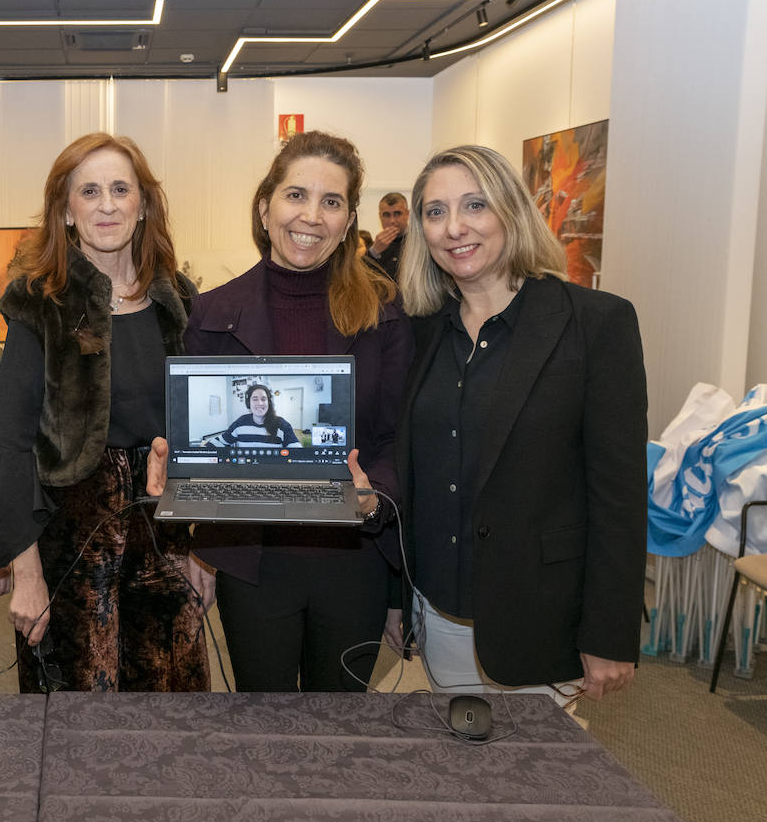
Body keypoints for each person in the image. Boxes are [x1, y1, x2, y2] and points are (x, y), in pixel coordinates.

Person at [156, 129, 414, 692]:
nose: (312, 216)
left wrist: (376, 496)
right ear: (265, 205)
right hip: (253, 564)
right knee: (260, 729)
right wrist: (196, 544)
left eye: (332, 202)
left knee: (341, 729)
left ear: (349, 221)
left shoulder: (384, 314)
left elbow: (397, 440)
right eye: (296, 195)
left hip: (354, 561)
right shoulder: (210, 313)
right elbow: (194, 450)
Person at [391, 144, 646, 702]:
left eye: (474, 205)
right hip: (440, 610)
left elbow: (619, 495)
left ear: (510, 210)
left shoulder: (596, 324)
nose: (454, 227)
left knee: (540, 785)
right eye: (434, 212)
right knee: (458, 777)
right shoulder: (420, 330)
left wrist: (610, 633)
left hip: (544, 618)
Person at [0, 132, 209, 692]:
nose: (107, 204)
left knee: (168, 699)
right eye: (90, 191)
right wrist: (26, 572)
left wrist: (206, 549)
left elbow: (205, 435)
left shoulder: (181, 300)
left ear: (144, 205)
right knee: (77, 715)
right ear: (66, 211)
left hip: (165, 535)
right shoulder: (37, 301)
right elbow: (13, 443)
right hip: (69, 538)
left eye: (121, 189)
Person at [223, 384, 299, 447]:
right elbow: (221, 442)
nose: (260, 403)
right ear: (249, 403)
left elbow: (297, 450)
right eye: (255, 399)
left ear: (269, 402)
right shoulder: (240, 423)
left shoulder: (282, 424)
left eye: (263, 399)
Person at [367, 192, 409, 279]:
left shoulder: (421, 242)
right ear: (380, 217)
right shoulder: (374, 247)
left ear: (407, 214)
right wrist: (373, 253)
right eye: (386, 215)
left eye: (397, 214)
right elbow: (363, 279)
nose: (392, 220)